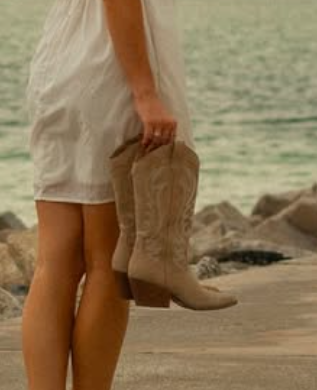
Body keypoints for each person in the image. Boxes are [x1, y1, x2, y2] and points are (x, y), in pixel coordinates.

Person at [20, 1, 234, 389]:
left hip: (58, 68)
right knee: (107, 262)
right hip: (110, 75)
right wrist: (146, 92)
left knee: (54, 262)